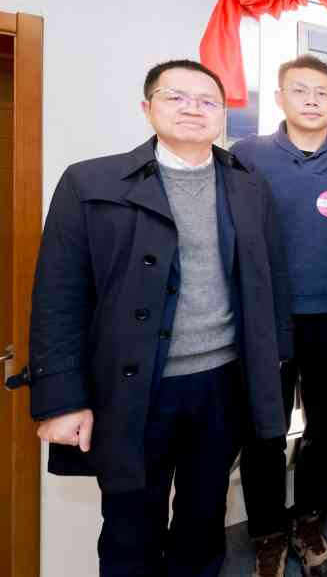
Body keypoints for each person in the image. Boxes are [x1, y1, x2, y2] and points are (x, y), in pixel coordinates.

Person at [23, 60, 291, 576]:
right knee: (130, 527)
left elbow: (270, 280)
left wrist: (273, 364)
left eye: (208, 101)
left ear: (223, 115)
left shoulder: (247, 185)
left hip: (222, 384)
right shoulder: (91, 182)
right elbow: (58, 297)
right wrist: (62, 399)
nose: (193, 108)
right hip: (134, 388)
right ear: (147, 108)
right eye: (176, 97)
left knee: (204, 519)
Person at [232, 55, 327, 577]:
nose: (311, 101)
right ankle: (267, 533)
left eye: (322, 93)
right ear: (280, 98)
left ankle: (309, 520)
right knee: (262, 430)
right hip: (264, 318)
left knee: (324, 426)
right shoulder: (247, 155)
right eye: (300, 90)